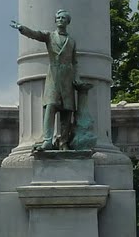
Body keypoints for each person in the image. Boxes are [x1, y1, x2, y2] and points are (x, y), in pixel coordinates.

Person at [11, 8, 86, 148]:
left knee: (67, 110)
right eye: (58, 18)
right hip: (53, 75)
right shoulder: (50, 36)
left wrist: (77, 77)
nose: (60, 20)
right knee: (50, 107)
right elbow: (36, 34)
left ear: (68, 21)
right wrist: (22, 28)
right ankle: (47, 140)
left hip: (67, 77)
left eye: (63, 18)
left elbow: (74, 61)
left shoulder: (72, 41)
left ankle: (63, 142)